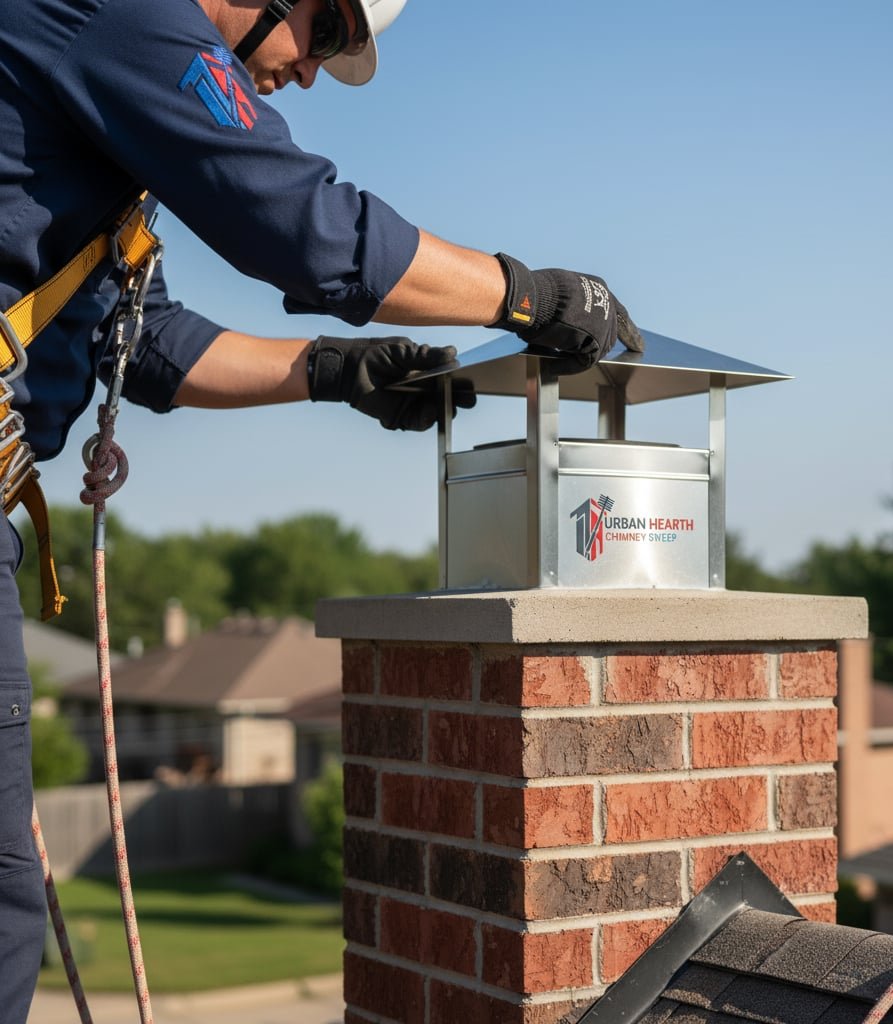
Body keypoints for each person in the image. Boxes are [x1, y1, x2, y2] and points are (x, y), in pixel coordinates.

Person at [0, 0, 642, 1017]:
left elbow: (145, 338)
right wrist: (525, 295)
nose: (311, 69)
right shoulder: (124, 11)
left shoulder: (98, 97)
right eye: (327, 27)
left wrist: (332, 371)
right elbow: (303, 226)